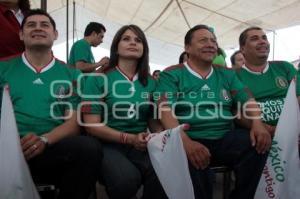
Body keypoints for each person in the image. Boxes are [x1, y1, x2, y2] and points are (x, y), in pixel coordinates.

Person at [156, 24, 271, 199]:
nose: (211, 44)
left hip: (224, 136)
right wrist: (184, 142)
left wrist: (257, 123)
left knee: (260, 146)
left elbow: (247, 99)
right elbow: (165, 109)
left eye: (213, 41)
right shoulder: (172, 74)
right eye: (203, 40)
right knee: (194, 167)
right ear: (187, 48)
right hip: (190, 136)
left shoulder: (226, 74)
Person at [0, 9, 101, 199]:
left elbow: (73, 123)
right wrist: (10, 143)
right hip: (6, 151)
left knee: (89, 148)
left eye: (44, 25)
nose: (38, 28)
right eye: (31, 25)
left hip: (51, 147)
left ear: (55, 34)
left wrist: (44, 140)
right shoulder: (3, 68)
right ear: (21, 34)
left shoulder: (72, 74)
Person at [82, 24, 167, 199]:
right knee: (126, 180)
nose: (133, 43)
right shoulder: (98, 79)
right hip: (106, 146)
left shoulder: (151, 82)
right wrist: (129, 138)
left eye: (138, 40)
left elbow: (151, 119)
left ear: (144, 49)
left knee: (164, 173)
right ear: (116, 47)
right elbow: (91, 126)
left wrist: (161, 135)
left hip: (141, 144)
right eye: (126, 39)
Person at [236, 26, 296, 135]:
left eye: (264, 38)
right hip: (258, 134)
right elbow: (235, 112)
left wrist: (291, 126)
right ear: (243, 48)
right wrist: (265, 128)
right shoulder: (234, 75)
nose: (262, 41)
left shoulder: (284, 67)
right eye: (255, 39)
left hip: (294, 128)